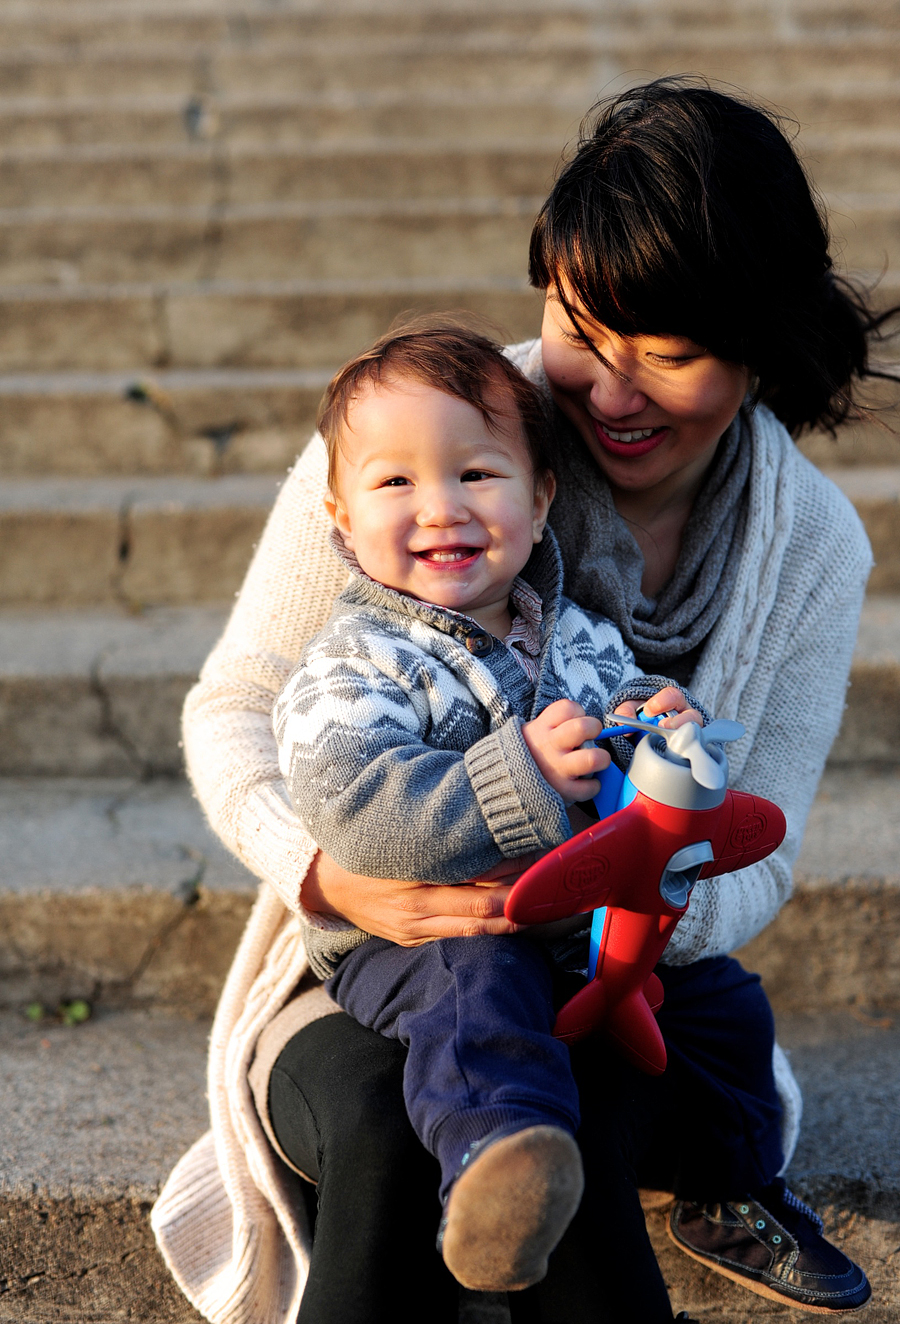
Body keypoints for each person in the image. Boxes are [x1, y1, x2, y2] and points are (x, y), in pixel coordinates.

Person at [152, 78, 888, 1323]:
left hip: (621, 974)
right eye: (583, 331)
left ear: (759, 340)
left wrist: (616, 906)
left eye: (672, 353)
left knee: (578, 1117)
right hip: (379, 949)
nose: (612, 391)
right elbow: (237, 708)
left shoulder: (811, 547)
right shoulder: (424, 438)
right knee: (392, 1128)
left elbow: (764, 850)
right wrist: (334, 879)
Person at [272, 321, 707, 1294]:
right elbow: (354, 806)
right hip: (414, 938)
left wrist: (662, 723)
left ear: (541, 497)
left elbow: (628, 720)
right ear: (340, 520)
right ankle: (497, 1162)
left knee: (722, 1007)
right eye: (396, 483)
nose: (442, 508)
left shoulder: (578, 636)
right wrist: (518, 775)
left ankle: (736, 1171)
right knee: (475, 980)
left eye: (476, 474)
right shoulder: (354, 664)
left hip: (576, 932)